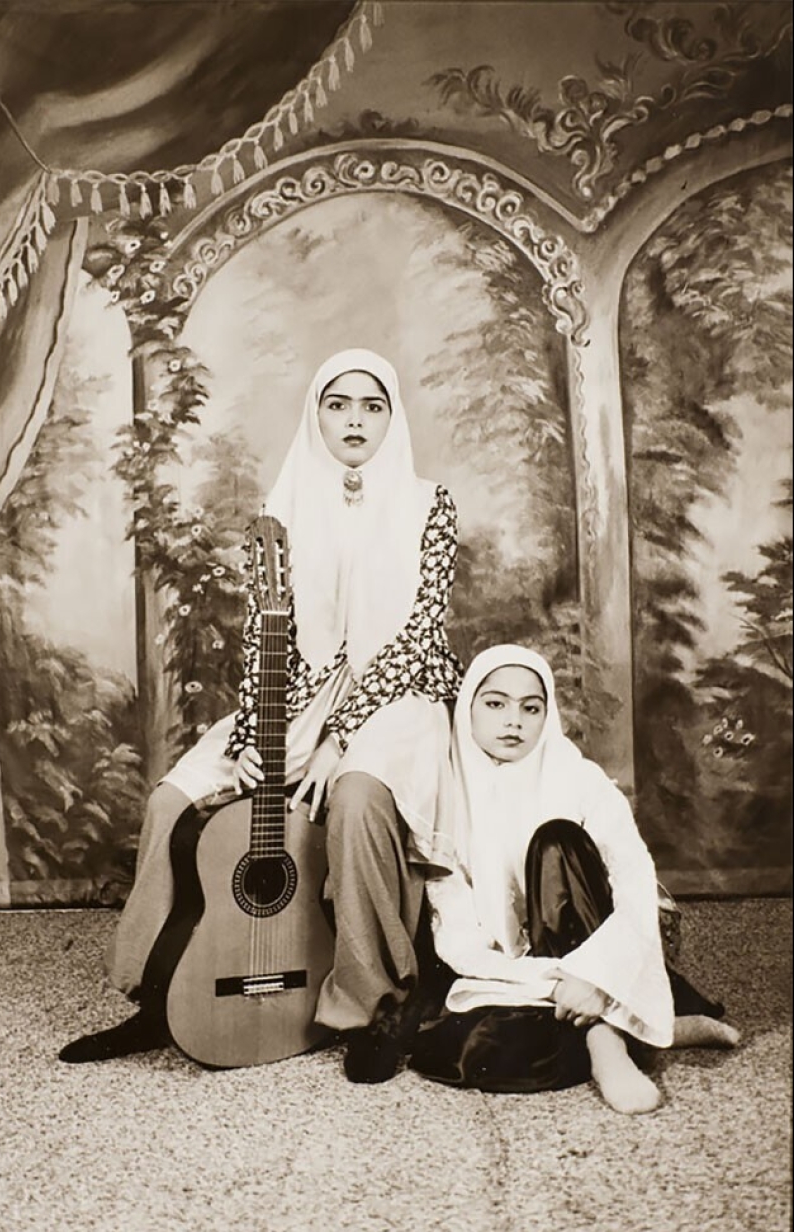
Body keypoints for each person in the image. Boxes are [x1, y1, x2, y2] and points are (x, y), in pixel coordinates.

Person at [59, 348, 463, 1082]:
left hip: (397, 693)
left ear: (391, 418)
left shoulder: (429, 504)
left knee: (357, 796)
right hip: (296, 690)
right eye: (338, 404)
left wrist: (342, 737)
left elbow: (419, 634)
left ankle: (372, 1003)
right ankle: (159, 991)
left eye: (372, 406)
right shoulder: (282, 507)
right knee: (174, 797)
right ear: (316, 414)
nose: (355, 420)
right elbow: (261, 637)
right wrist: (253, 735)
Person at [410, 645, 740, 1114]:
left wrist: (595, 975)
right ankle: (650, 1028)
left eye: (531, 708)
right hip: (522, 972)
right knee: (474, 1051)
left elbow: (634, 883)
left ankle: (606, 1041)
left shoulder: (580, 778)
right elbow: (459, 939)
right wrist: (557, 981)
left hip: (602, 944)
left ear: (547, 715)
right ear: (469, 709)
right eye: (496, 704)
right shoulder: (445, 796)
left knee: (557, 841)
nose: (513, 721)